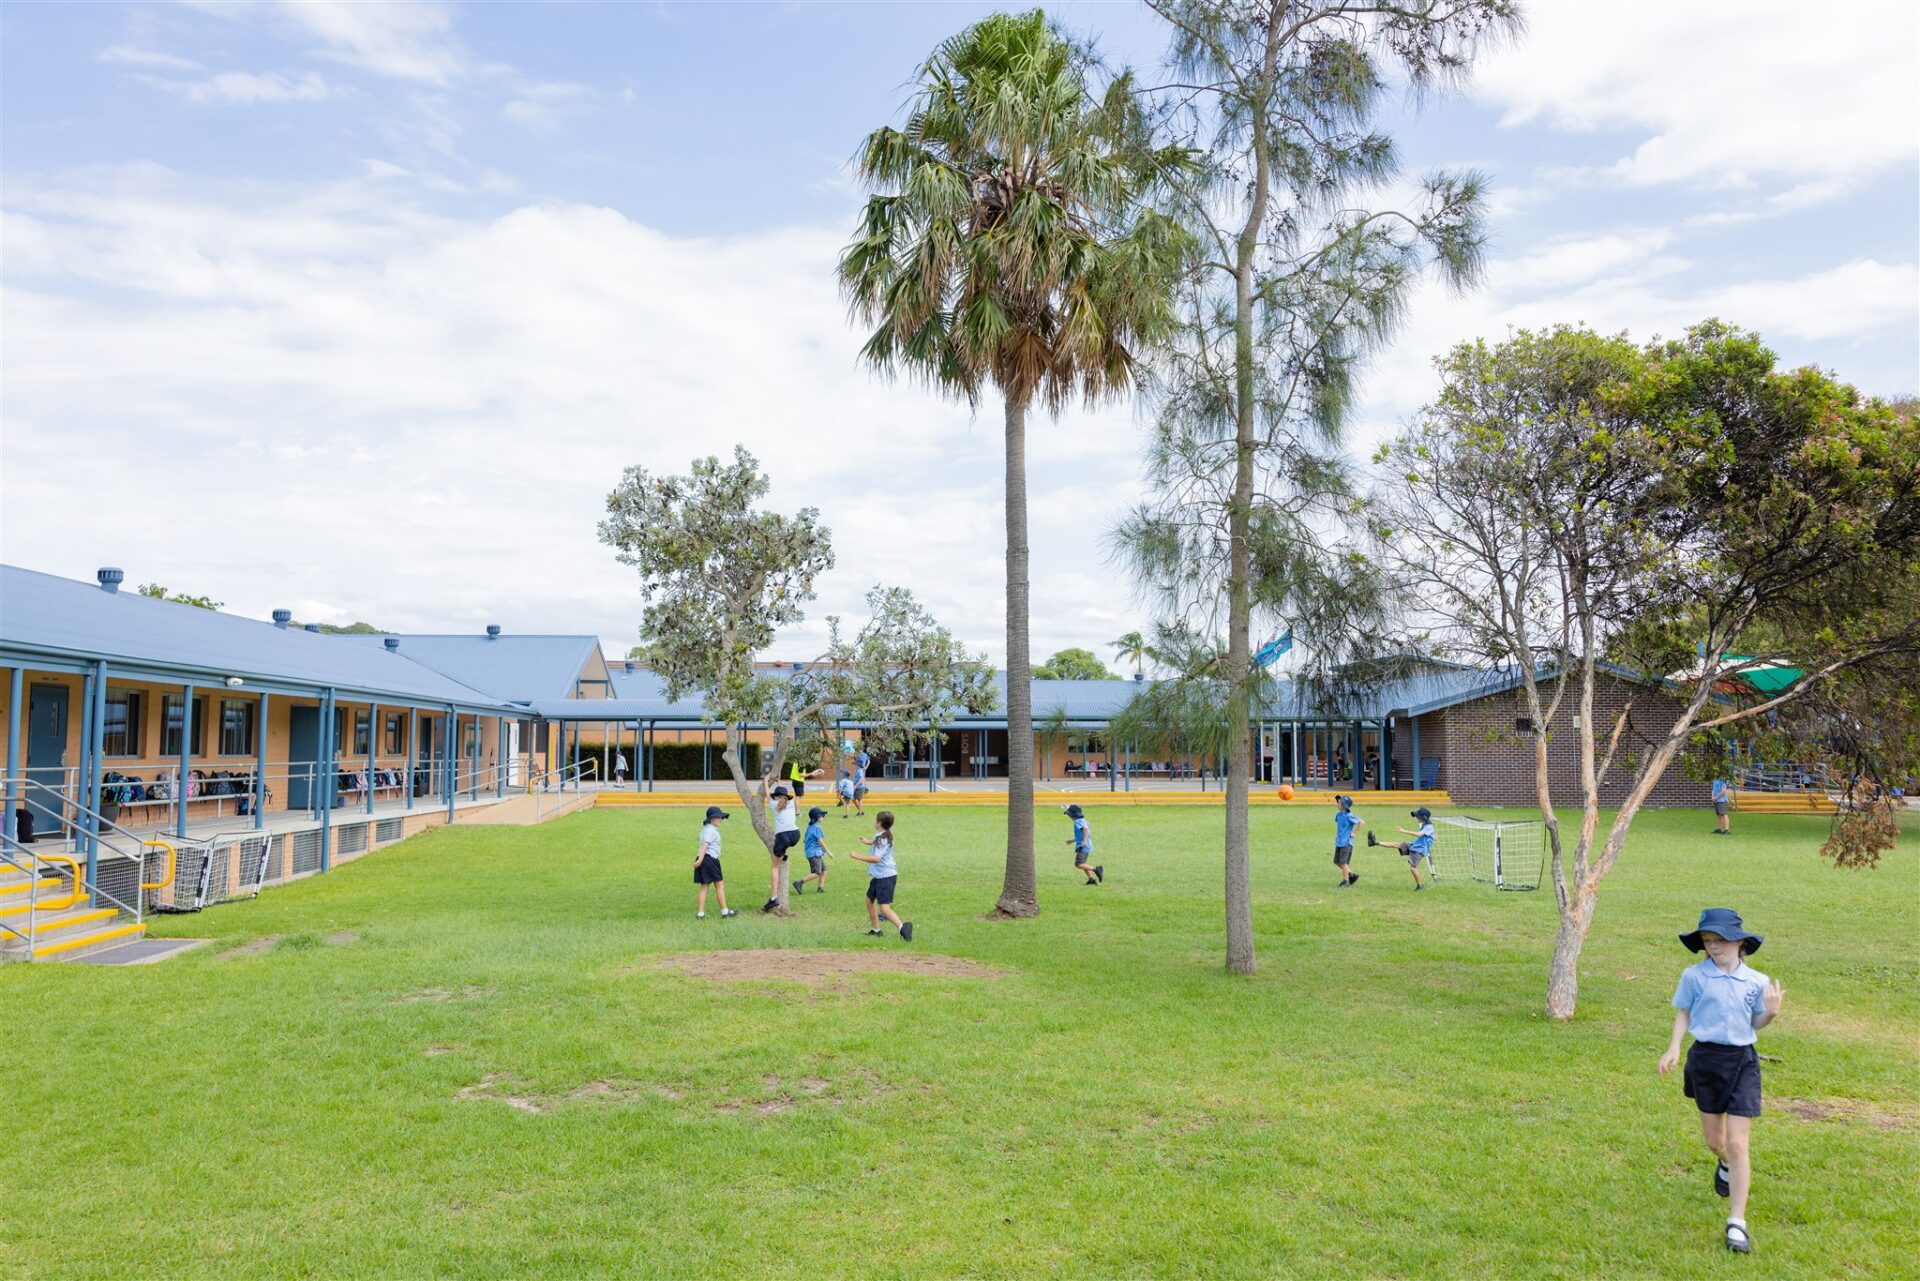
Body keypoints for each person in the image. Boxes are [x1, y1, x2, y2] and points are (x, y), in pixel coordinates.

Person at [1659, 908, 1784, 1255]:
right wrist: (1673, 1049)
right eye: (1708, 942)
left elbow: (1755, 1022)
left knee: (1738, 1143)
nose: (1714, 947)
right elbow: (1683, 1012)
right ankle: (1724, 1163)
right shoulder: (1694, 977)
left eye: (1720, 941)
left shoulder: (1757, 981)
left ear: (1740, 942)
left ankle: (1737, 1223)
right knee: (1716, 1142)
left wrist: (1771, 1013)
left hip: (1743, 1061)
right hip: (1705, 1061)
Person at [848, 810, 912, 941]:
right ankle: (876, 930)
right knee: (869, 900)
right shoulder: (884, 835)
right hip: (880, 876)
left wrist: (857, 856)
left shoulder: (882, 838)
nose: (874, 821)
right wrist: (868, 842)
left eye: (875, 820)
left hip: (886, 877)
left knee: (884, 907)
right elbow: (879, 843)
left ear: (879, 823)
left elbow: (876, 858)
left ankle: (903, 928)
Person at [1367, 806, 1434, 890]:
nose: (1416, 817)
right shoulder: (1425, 825)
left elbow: (1419, 834)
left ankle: (1420, 886)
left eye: (1418, 816)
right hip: (1414, 846)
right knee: (1396, 844)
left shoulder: (1429, 827)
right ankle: (1374, 842)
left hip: (1419, 850)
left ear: (1423, 817)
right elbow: (1429, 835)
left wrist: (1404, 831)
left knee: (1413, 868)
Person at [692, 805, 736, 919]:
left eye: (721, 817)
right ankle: (725, 912)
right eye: (718, 817)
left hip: (704, 859)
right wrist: (700, 860)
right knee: (719, 885)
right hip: (709, 859)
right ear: (711, 819)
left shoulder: (706, 830)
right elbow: (705, 845)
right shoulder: (711, 830)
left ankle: (700, 913)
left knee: (704, 886)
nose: (720, 819)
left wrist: (699, 860)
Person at [762, 782, 801, 911]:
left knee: (775, 867)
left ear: (776, 796)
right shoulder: (791, 803)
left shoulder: (774, 805)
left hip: (782, 836)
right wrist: (779, 782)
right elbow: (782, 796)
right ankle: (784, 853)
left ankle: (773, 898)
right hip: (795, 835)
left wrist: (766, 781)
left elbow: (768, 794)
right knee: (784, 847)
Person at [1061, 804, 1102, 884]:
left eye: (1069, 815)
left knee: (1078, 864)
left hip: (1082, 846)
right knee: (1083, 863)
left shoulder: (1077, 822)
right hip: (1087, 845)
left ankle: (1096, 870)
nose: (1069, 816)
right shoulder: (1083, 820)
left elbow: (1085, 829)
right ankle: (1091, 879)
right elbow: (1082, 833)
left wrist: (1083, 841)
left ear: (1073, 815)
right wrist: (1072, 840)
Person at [796, 806, 834, 893]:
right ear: (816, 816)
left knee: (824, 870)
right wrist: (829, 853)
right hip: (814, 854)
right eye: (821, 815)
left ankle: (820, 888)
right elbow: (820, 841)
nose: (823, 817)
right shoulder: (817, 827)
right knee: (817, 872)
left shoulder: (810, 827)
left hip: (814, 853)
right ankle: (799, 883)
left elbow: (805, 840)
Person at [1333, 794, 1363, 887]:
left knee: (1343, 863)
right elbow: (1340, 828)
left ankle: (1346, 881)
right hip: (1339, 842)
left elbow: (1361, 822)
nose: (1337, 803)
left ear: (1344, 806)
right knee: (1336, 862)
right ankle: (1352, 875)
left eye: (1339, 802)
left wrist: (1355, 833)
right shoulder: (1338, 815)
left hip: (1346, 843)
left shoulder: (1349, 816)